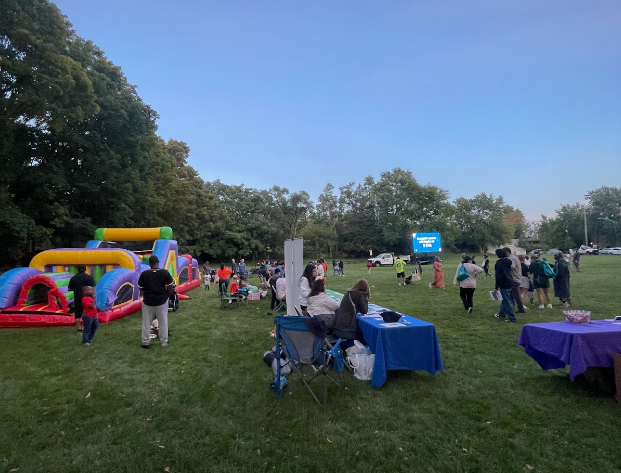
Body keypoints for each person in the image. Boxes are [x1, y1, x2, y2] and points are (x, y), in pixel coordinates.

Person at [138, 255, 174, 348]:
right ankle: (164, 342)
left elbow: (141, 288)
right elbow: (170, 287)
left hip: (148, 301)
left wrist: (147, 293)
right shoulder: (164, 272)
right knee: (163, 322)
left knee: (146, 323)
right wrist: (168, 295)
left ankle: (145, 342)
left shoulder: (144, 274)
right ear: (158, 262)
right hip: (161, 300)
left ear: (149, 264)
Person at [332, 279, 369, 346]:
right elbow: (364, 311)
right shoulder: (359, 294)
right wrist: (366, 297)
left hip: (337, 327)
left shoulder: (348, 292)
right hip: (346, 330)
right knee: (364, 336)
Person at [68, 265, 96, 332]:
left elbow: (69, 289)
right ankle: (86, 326)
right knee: (87, 312)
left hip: (77, 297)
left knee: (77, 312)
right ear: (85, 269)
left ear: (77, 269)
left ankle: (79, 328)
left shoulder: (73, 278)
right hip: (87, 298)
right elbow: (93, 288)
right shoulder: (89, 277)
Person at [493, 248, 517, 322]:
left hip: (504, 283)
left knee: (507, 301)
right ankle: (502, 314)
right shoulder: (508, 261)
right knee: (505, 299)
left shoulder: (498, 263)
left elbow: (498, 276)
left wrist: (496, 287)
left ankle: (512, 318)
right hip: (510, 281)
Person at [504, 247, 527, 314]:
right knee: (514, 294)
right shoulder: (514, 257)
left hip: (514, 278)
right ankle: (517, 308)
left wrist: (504, 267)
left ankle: (520, 308)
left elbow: (512, 267)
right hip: (516, 278)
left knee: (515, 295)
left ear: (507, 252)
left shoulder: (512, 258)